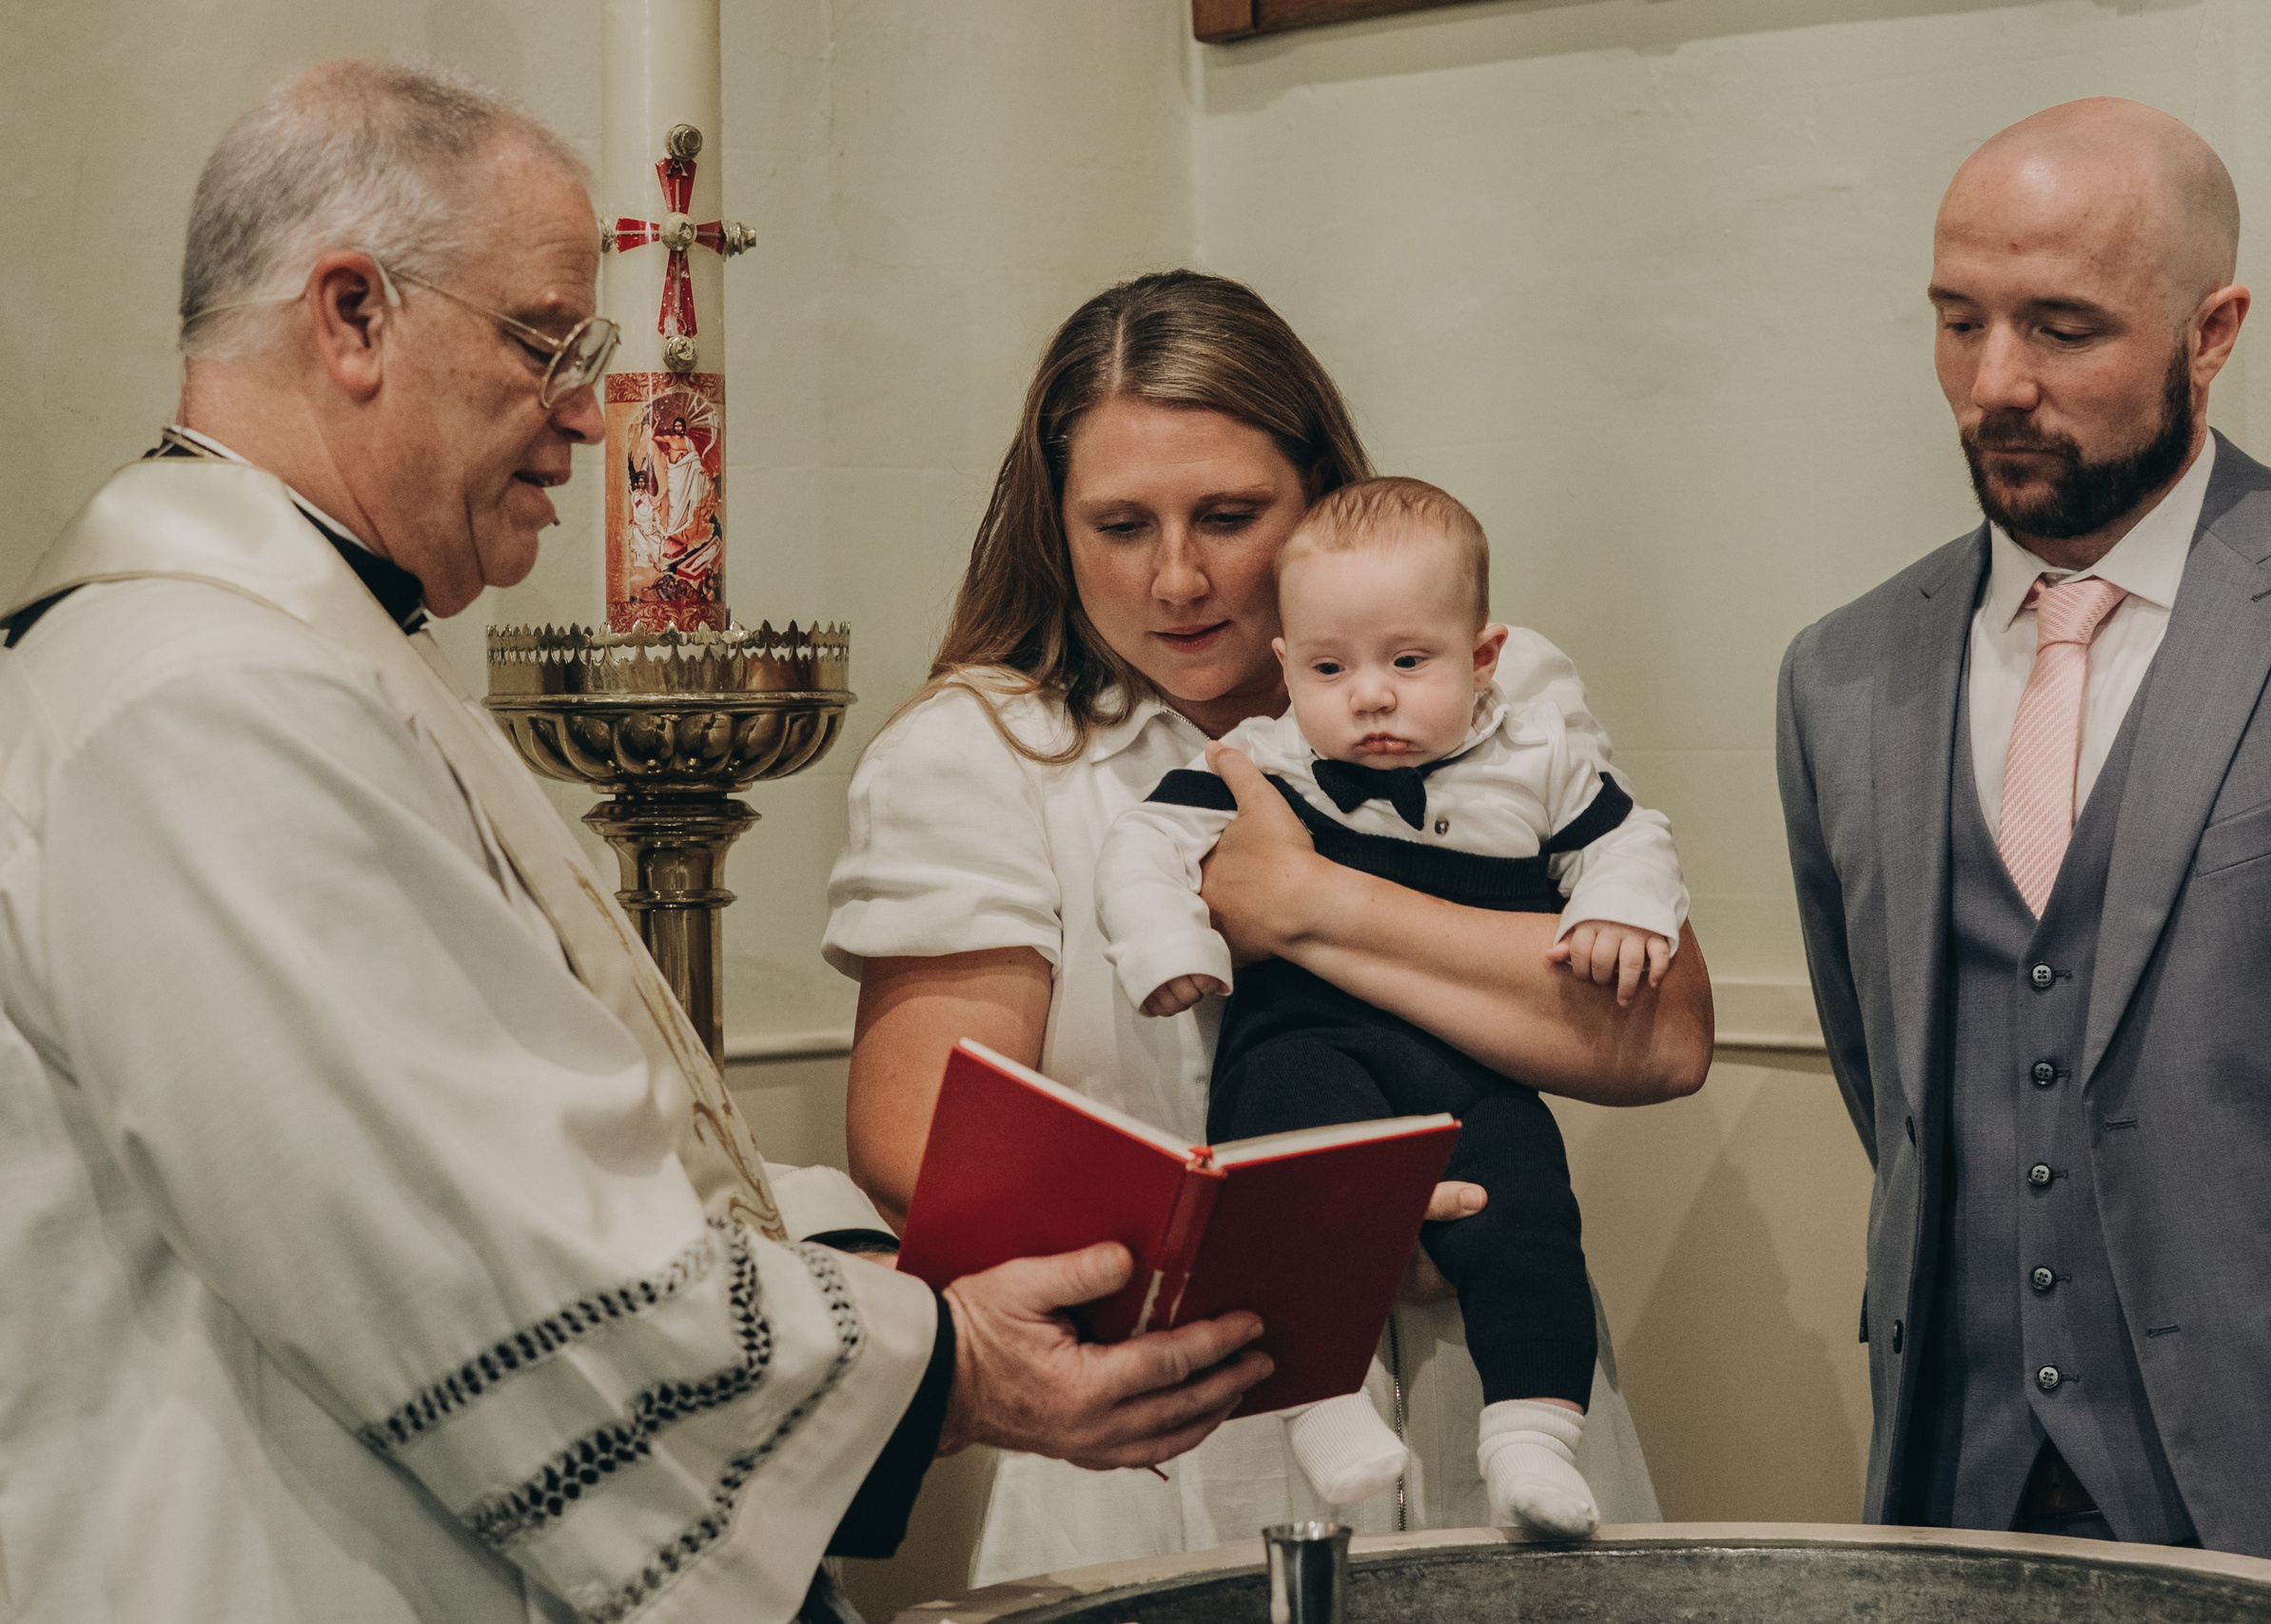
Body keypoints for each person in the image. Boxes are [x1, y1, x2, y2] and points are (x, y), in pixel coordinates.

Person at [0, 60, 1272, 1624]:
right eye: (548, 343)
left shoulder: (284, 659)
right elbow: (472, 1251)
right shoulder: (199, 703)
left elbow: (562, 1149)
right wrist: (956, 1361)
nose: (596, 417)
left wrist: (887, 1269)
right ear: (352, 317)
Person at [826, 269, 1713, 1585]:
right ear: (1053, 528)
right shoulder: (982, 750)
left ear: (1318, 500)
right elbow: (919, 1144)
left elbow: (1666, 1034)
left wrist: (1311, 901)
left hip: (1494, 1385)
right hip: (1174, 1423)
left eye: (1229, 516)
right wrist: (1314, 1235)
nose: (1176, 577)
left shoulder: (1484, 684)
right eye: (1119, 523)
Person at [1775, 97, 2271, 1581]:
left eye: (2061, 328)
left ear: (2212, 331)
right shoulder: (1841, 671)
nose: (1994, 383)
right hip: (1958, 1490)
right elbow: (1884, 1076)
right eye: (1959, 322)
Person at [1094, 476, 1692, 1537]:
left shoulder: (1539, 757)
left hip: (1472, 1060)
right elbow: (1143, 848)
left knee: (1529, 1216)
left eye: (1406, 664)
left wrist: (1618, 909)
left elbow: (1630, 839)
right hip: (1301, 1038)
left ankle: (1530, 1436)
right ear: (1288, 669)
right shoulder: (1265, 759)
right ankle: (1321, 1404)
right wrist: (1168, 946)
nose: (1368, 696)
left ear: (1483, 658)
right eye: (1330, 669)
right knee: (1284, 1174)